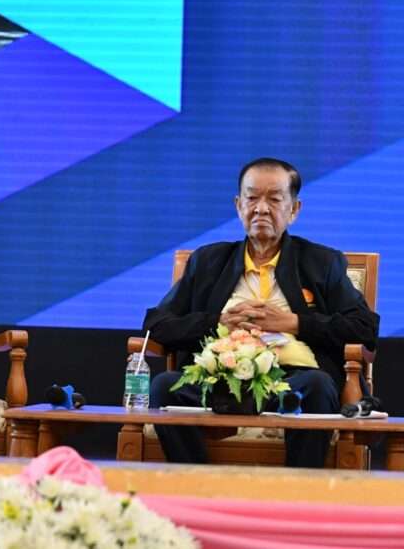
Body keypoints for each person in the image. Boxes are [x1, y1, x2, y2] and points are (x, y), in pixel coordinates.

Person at [146, 158, 379, 467]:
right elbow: (157, 323)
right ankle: (197, 479)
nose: (261, 209)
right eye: (252, 198)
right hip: (221, 382)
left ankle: (299, 488)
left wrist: (293, 323)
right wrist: (217, 322)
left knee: (318, 385)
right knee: (164, 386)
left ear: (294, 209)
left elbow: (364, 327)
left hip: (291, 382)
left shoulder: (321, 262)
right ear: (238, 205)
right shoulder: (208, 262)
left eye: (274, 199)